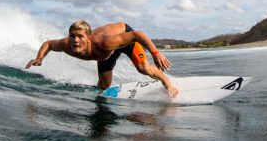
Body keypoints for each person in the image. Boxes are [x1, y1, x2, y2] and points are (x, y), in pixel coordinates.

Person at [25, 20, 179, 98]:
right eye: (72, 36)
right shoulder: (66, 44)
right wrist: (39, 58)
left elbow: (138, 34)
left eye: (80, 37)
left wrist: (156, 53)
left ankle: (167, 83)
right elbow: (48, 44)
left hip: (125, 38)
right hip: (106, 54)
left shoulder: (103, 42)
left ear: (88, 38)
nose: (75, 41)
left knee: (143, 68)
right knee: (104, 87)